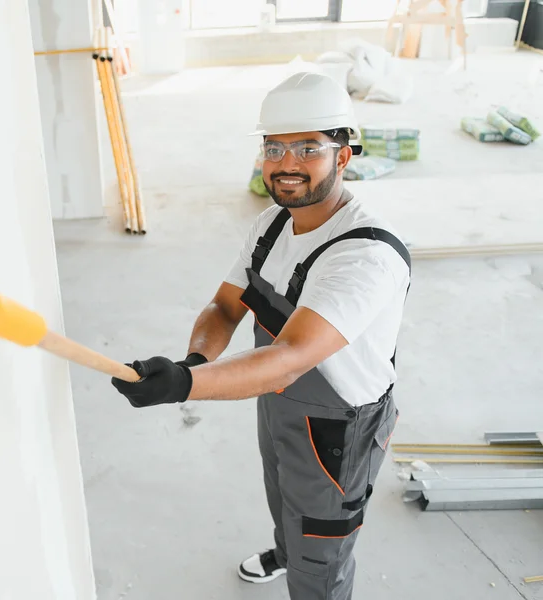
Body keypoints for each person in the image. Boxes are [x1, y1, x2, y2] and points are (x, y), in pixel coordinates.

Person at [110, 71, 412, 600]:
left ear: (343, 156)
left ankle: (309, 566)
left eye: (307, 148)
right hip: (275, 398)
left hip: (336, 426)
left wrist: (182, 386)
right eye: (274, 147)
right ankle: (287, 548)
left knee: (323, 544)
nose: (286, 163)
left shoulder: (365, 255)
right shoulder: (274, 222)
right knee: (282, 491)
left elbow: (292, 356)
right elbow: (226, 304)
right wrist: (195, 362)